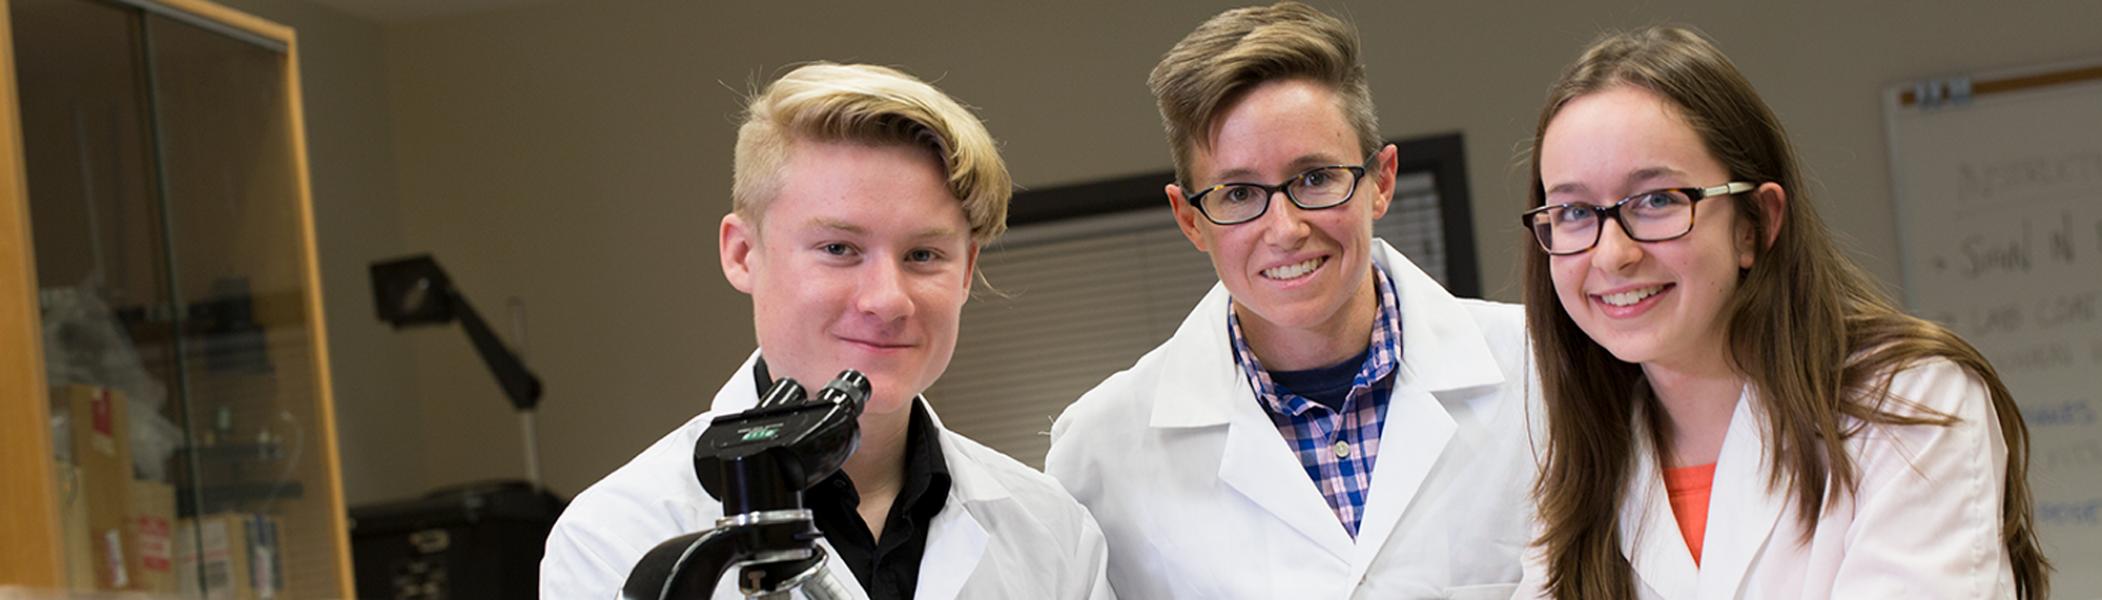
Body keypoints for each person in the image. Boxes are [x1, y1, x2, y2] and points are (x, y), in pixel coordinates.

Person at [1512, 25, 2050, 599]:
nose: (1613, 253)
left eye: (1658, 200)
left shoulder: (1908, 403)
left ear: (1756, 223)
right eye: (1572, 211)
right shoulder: (1576, 469)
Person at [541, 62, 1114, 599]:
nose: (887, 300)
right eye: (838, 248)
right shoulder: (616, 536)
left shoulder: (1052, 532)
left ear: (966, 272)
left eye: (923, 254)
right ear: (743, 254)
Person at [1043, 3, 1539, 598]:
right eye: (1238, 193)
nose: (1284, 229)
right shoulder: (1099, 452)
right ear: (1190, 219)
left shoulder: (1543, 371)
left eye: (1315, 178)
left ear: (1380, 182)